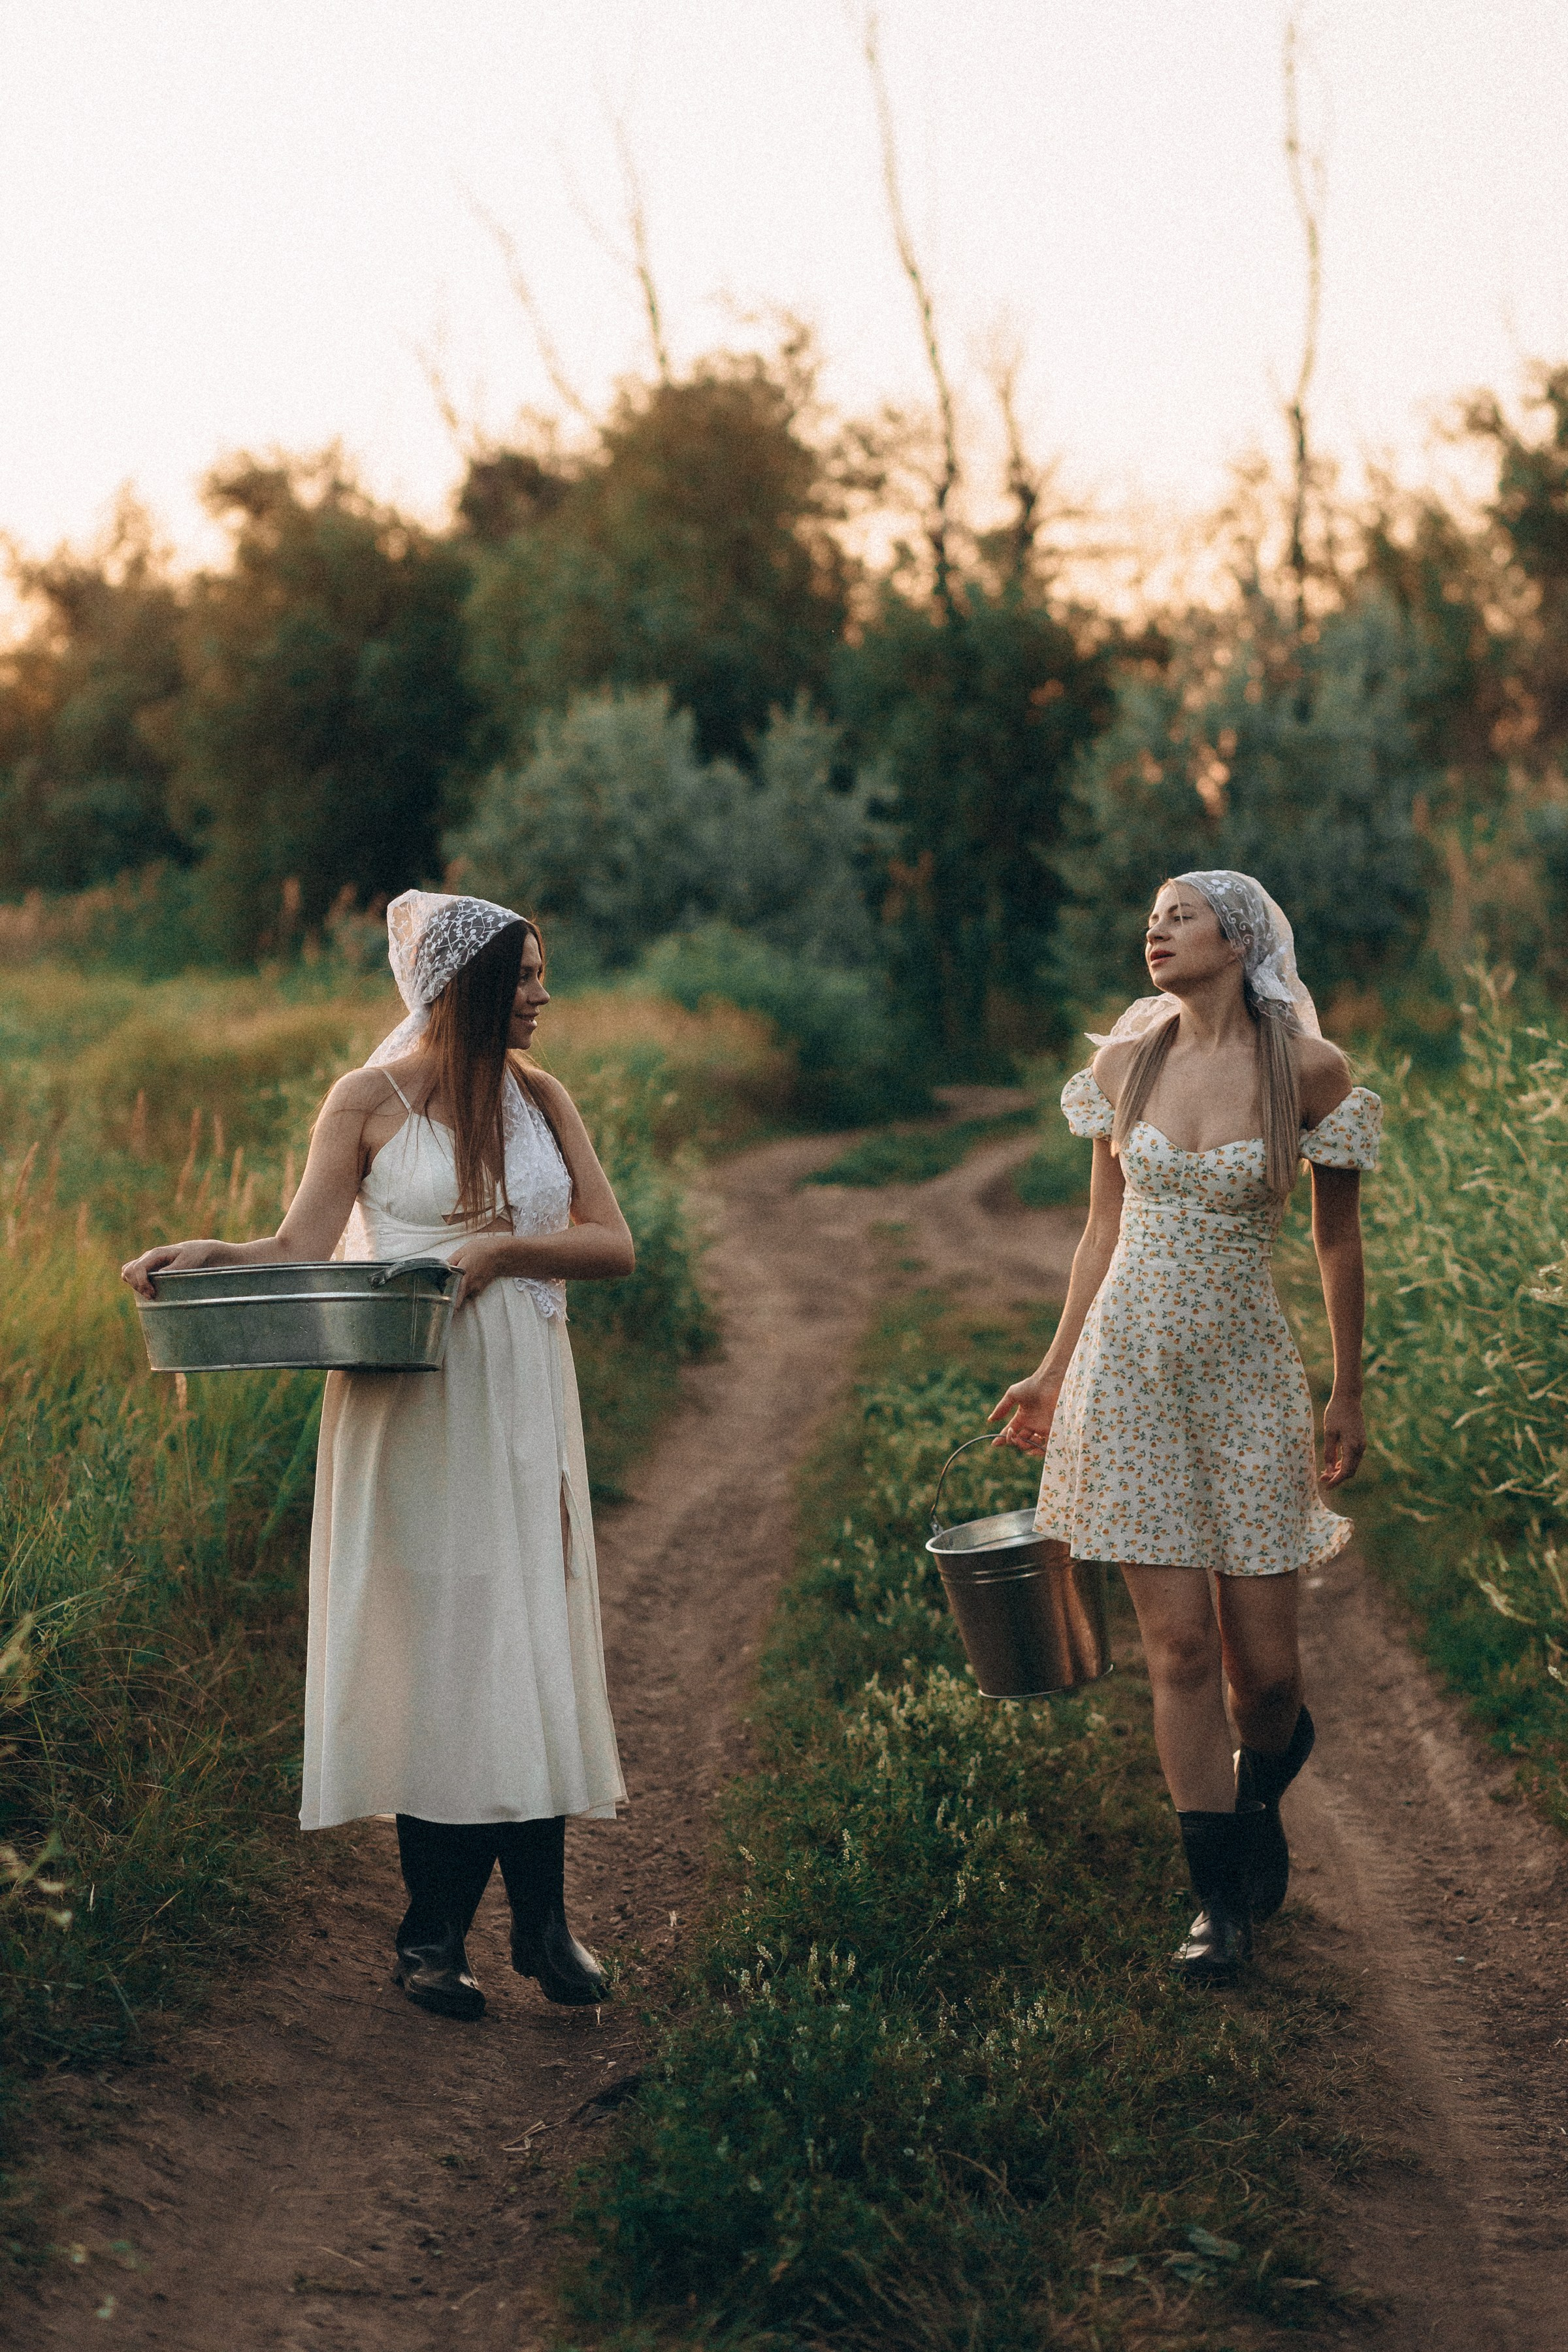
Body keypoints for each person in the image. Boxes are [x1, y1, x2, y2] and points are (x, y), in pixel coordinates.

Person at [123, 890, 632, 2022]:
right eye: (530, 977)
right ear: (467, 987)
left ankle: (543, 1928)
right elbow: (301, 1246)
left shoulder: (541, 1097)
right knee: (441, 1648)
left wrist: (504, 1252)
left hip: (518, 1389)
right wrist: (216, 1254)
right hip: (408, 1396)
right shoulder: (368, 1100)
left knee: (522, 1635)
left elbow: (614, 1243)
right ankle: (432, 1937)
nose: (547, 996)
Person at [989, 871, 1379, 1984]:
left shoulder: (1309, 1072)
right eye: (1151, 917)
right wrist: (1053, 1372)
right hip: (1130, 1376)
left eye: (1181, 915)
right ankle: (1219, 1907)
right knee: (1178, 1651)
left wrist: (1346, 1390)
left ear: (1240, 939)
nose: (1155, 930)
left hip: (1248, 1377)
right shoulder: (1124, 1064)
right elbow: (1100, 1231)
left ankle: (1259, 1792)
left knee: (1265, 1678)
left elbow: (1336, 1243)